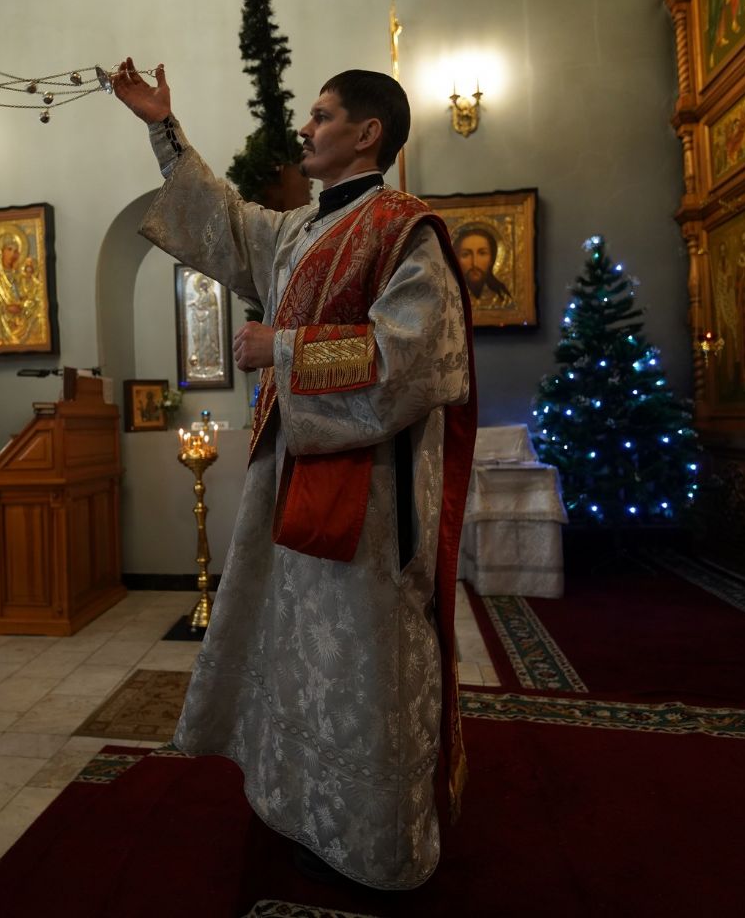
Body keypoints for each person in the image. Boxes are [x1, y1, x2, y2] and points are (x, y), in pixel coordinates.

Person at [112, 59, 477, 890]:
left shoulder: (404, 231)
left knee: (359, 661)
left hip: (369, 499)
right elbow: (222, 220)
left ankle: (374, 844)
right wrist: (162, 128)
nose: (304, 130)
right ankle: (304, 807)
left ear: (367, 132)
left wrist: (281, 347)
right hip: (291, 479)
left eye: (321, 115)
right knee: (302, 654)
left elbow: (413, 357)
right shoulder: (301, 229)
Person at [453, 223, 513, 310]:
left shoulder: (502, 298)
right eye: (465, 254)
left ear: (492, 258)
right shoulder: (449, 299)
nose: (475, 263)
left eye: (482, 253)